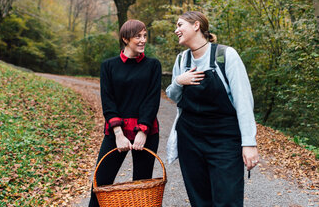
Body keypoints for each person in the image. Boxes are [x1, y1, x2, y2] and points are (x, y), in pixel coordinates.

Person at [166, 11, 259, 207]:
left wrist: (249, 143)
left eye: (180, 25)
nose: (176, 30)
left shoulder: (225, 55)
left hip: (224, 139)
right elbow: (173, 96)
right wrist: (178, 82)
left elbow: (243, 101)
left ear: (196, 25)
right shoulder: (182, 60)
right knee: (199, 200)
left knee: (227, 199)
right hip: (189, 139)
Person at [88, 19, 162, 207]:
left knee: (142, 189)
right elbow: (108, 101)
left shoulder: (153, 65)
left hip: (146, 133)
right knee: (100, 185)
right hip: (116, 132)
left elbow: (152, 100)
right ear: (125, 38)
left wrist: (142, 131)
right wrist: (118, 134)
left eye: (145, 36)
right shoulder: (108, 66)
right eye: (138, 36)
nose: (143, 40)